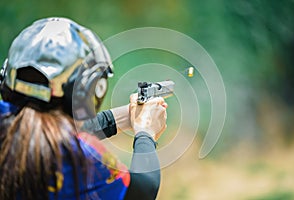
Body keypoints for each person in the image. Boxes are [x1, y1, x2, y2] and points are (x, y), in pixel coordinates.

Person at [0, 17, 168, 200]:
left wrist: (125, 116)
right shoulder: (81, 158)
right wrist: (145, 132)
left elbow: (40, 130)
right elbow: (144, 190)